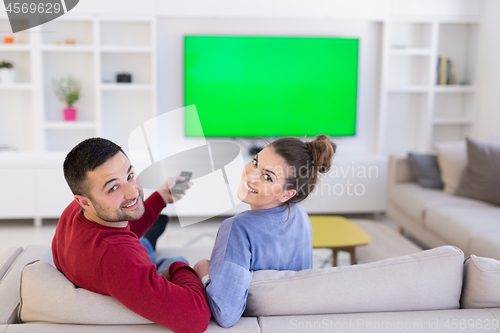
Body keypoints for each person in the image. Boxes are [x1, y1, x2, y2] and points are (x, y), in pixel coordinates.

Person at [52, 138, 211, 333]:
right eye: (113, 188)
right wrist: (177, 268)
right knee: (176, 258)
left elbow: (123, 231)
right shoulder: (117, 257)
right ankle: (151, 241)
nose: (133, 192)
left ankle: (149, 237)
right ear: (84, 202)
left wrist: (161, 196)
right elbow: (196, 318)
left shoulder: (78, 210)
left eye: (129, 175)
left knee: (141, 237)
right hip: (124, 267)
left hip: (112, 263)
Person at [193, 135, 336, 328]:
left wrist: (203, 269)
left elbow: (225, 313)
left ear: (287, 194)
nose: (250, 176)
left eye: (267, 177)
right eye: (255, 162)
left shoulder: (237, 228)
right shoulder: (300, 214)